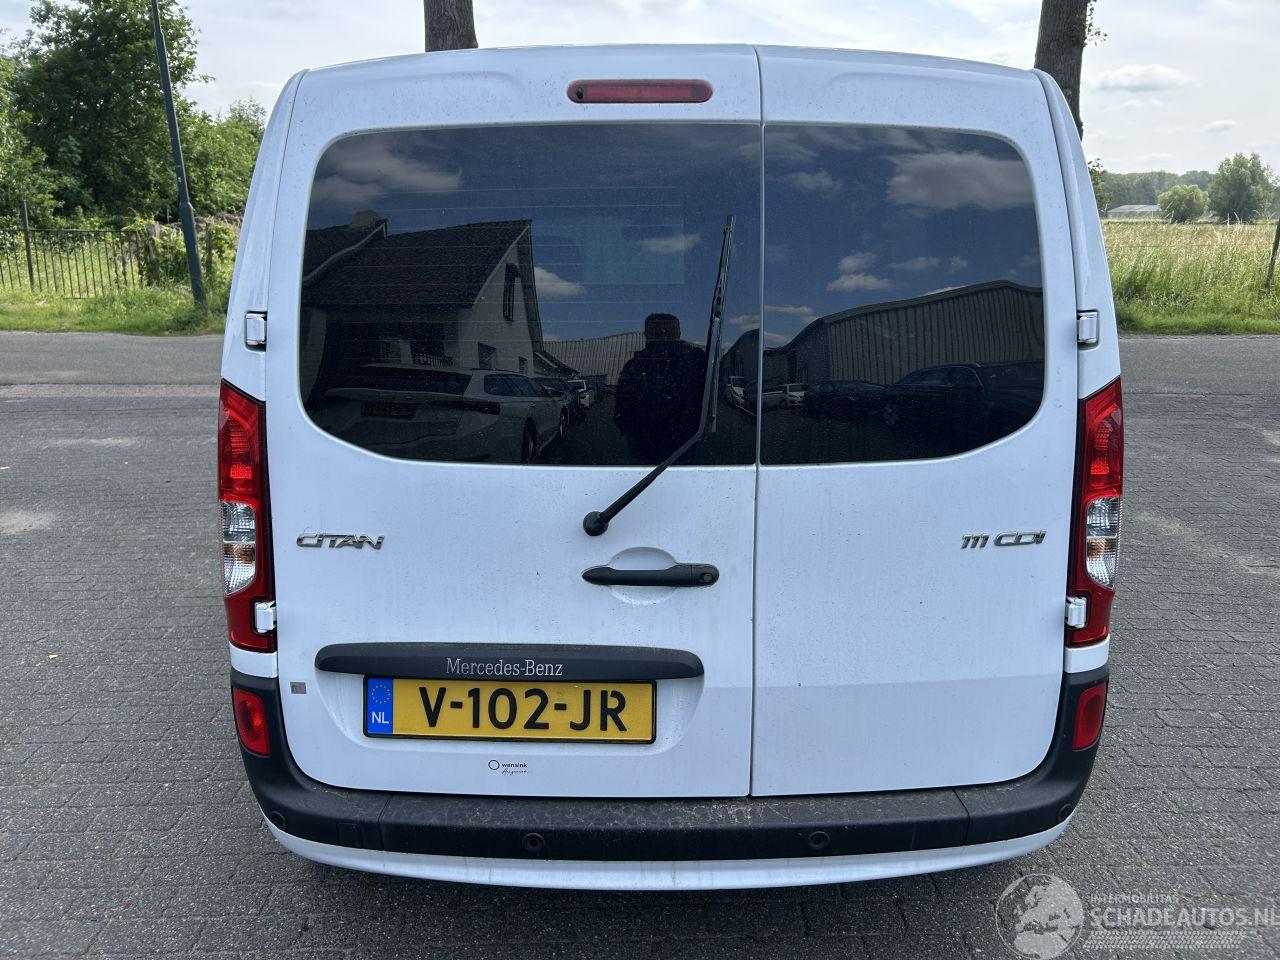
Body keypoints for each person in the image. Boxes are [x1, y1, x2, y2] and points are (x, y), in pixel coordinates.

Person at [613, 313, 707, 464]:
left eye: (668, 334)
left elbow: (621, 409)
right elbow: (622, 408)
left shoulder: (696, 360)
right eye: (657, 334)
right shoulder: (697, 360)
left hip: (678, 443)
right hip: (656, 446)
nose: (663, 338)